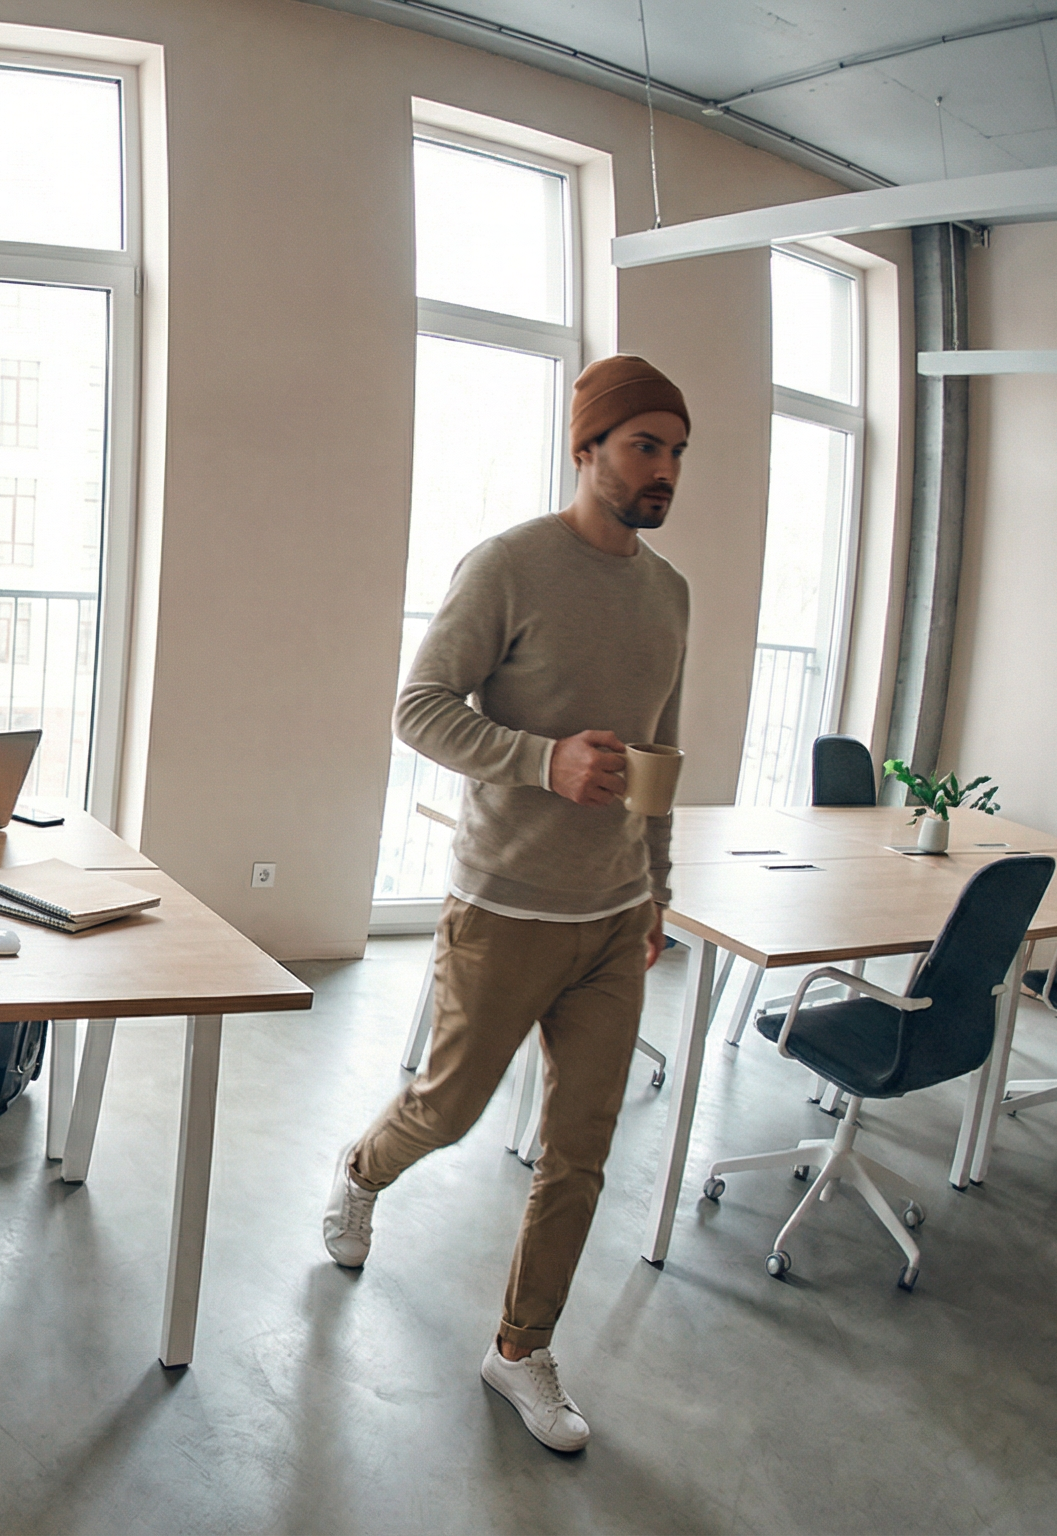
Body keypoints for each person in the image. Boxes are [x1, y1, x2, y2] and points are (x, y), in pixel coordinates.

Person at [321, 354, 692, 1452]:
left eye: (676, 451)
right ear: (586, 449)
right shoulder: (511, 566)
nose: (664, 469)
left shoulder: (670, 594)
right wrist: (539, 761)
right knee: (446, 1110)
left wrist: (656, 892)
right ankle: (357, 1172)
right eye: (644, 445)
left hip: (614, 915)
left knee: (579, 1152)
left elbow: (660, 758)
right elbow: (419, 708)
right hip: (506, 909)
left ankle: (521, 1350)